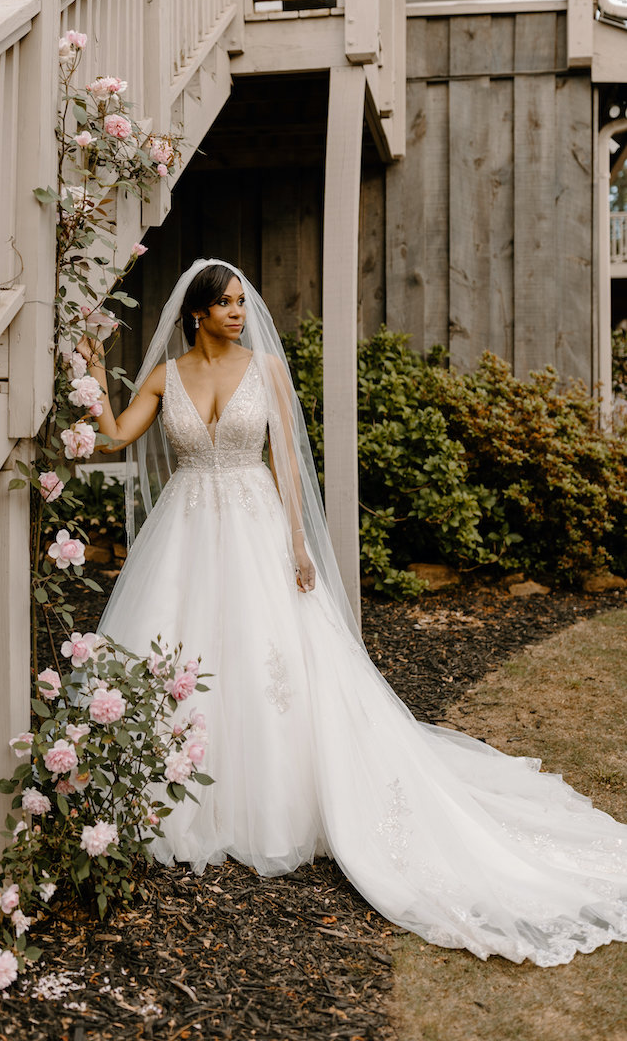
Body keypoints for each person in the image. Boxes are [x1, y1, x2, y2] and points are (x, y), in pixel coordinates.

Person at [78, 257, 627, 966]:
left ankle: (276, 801)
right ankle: (175, 795)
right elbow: (118, 434)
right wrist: (92, 368)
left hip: (255, 531)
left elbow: (284, 462)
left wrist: (299, 545)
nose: (241, 313)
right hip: (182, 536)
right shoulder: (165, 375)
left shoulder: (264, 370)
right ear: (196, 314)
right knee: (184, 655)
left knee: (270, 660)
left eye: (244, 302)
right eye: (228, 305)